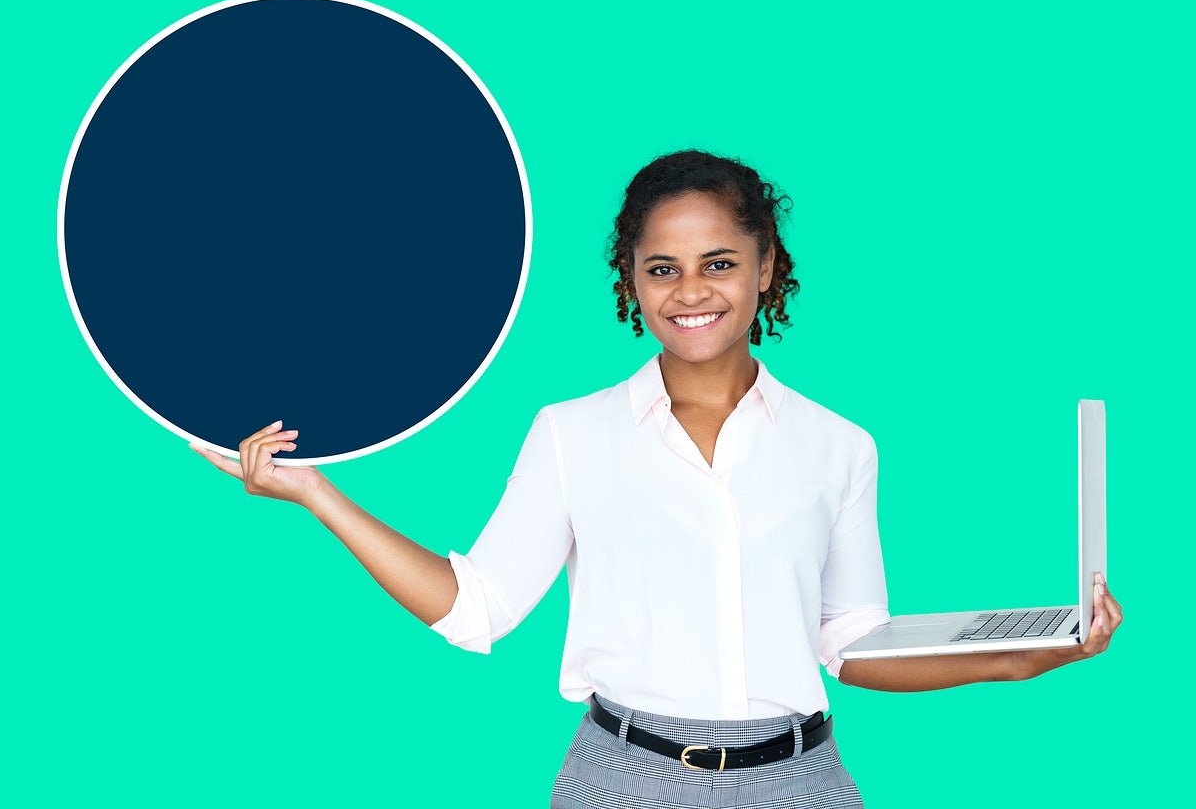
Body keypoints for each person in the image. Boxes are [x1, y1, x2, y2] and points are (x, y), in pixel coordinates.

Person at [193, 150, 1122, 807]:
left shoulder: (839, 446)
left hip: (799, 781)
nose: (691, 292)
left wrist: (1023, 655)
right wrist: (317, 495)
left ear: (766, 268)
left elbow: (851, 644)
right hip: (623, 779)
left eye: (719, 264)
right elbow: (475, 609)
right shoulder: (572, 434)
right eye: (662, 269)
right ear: (631, 281)